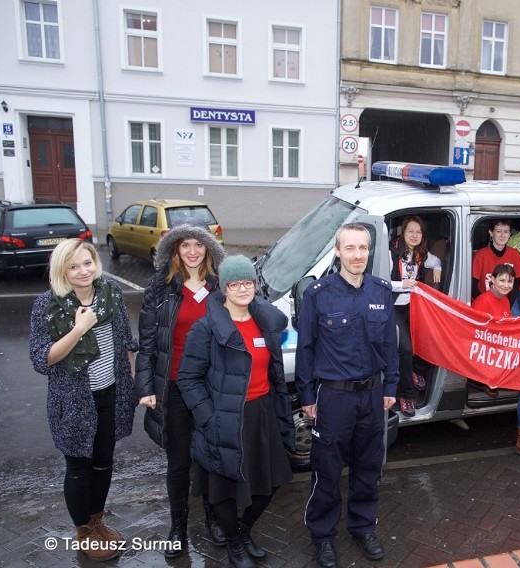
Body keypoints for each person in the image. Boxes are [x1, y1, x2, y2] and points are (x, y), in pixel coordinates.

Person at [177, 255, 294, 568]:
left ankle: (243, 531)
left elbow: (273, 371)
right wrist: (207, 417)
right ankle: (233, 543)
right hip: (225, 417)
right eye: (235, 283)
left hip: (262, 414)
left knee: (269, 484)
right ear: (224, 288)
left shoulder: (264, 322)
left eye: (248, 282)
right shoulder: (206, 328)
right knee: (225, 490)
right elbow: (187, 379)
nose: (243, 288)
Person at [296, 223, 399, 568]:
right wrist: (307, 394)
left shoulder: (381, 291)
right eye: (350, 248)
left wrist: (390, 386)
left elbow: (389, 346)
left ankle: (362, 526)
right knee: (326, 471)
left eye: (363, 248)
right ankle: (323, 536)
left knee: (368, 467)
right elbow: (306, 349)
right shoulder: (318, 294)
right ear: (337, 252)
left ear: (370, 252)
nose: (357, 255)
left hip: (371, 396)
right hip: (334, 399)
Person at [29, 239, 137, 562]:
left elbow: (124, 340)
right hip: (74, 401)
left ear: (96, 262)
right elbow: (41, 359)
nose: (82, 271)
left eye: (87, 262)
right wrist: (78, 329)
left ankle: (97, 521)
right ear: (62, 271)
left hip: (111, 393)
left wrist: (130, 379)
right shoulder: (46, 305)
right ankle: (84, 531)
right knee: (78, 467)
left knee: (104, 461)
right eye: (73, 266)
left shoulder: (111, 293)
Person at [135, 217, 227, 557]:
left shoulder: (219, 287)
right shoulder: (159, 286)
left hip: (211, 387)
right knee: (178, 462)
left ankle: (214, 517)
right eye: (185, 244)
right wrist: (145, 385)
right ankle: (177, 525)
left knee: (210, 457)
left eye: (198, 244)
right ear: (176, 248)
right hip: (173, 387)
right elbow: (147, 342)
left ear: (207, 249)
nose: (191, 251)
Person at [474, 264, 520, 460]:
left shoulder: (506, 301)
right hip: (490, 360)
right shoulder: (483, 301)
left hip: (501, 357)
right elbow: (479, 338)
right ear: (492, 279)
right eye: (502, 280)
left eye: (510, 281)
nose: (506, 284)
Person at [390, 215, 441, 417]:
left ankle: (413, 370)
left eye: (418, 232)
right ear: (403, 233)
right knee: (405, 348)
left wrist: (437, 268)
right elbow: (379, 281)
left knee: (429, 337)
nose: (414, 235)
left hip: (414, 305)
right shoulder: (392, 252)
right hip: (394, 306)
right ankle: (406, 395)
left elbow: (436, 260)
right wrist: (400, 285)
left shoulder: (420, 254)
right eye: (411, 231)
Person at [472, 219, 520, 301]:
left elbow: (515, 285)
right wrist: (486, 302)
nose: (502, 235)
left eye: (506, 232)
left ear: (509, 234)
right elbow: (473, 286)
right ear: (491, 232)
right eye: (498, 231)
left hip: (505, 302)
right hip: (482, 301)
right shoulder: (480, 255)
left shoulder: (515, 254)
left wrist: (506, 303)